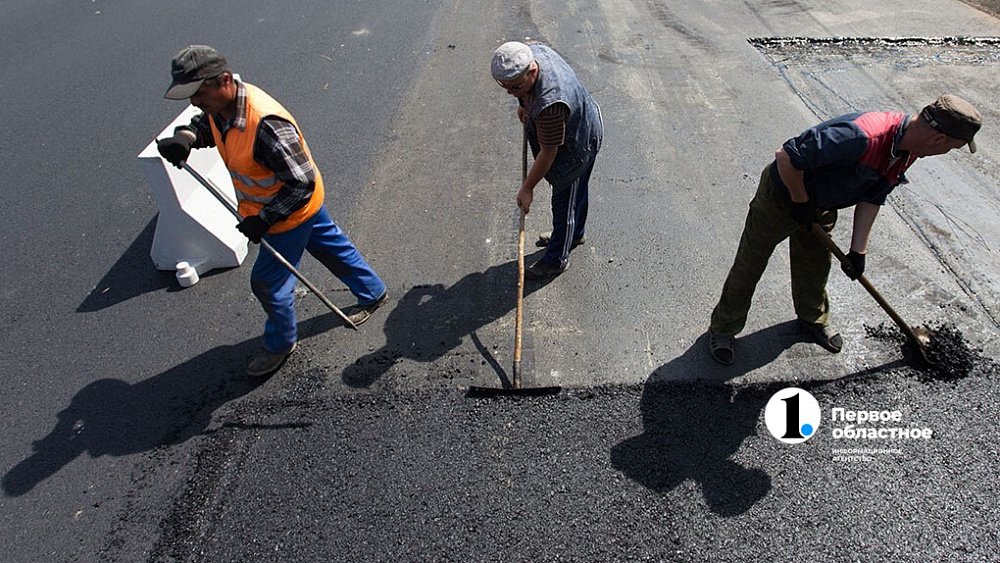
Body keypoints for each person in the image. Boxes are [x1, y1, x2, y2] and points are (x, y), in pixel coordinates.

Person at [157, 45, 388, 376]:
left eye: (197, 92)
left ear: (222, 80)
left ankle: (280, 342)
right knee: (330, 246)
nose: (194, 101)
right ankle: (373, 291)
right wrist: (187, 137)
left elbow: (300, 183)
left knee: (267, 281)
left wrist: (264, 220)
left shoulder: (265, 124)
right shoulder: (223, 107)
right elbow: (209, 123)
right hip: (296, 206)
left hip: (288, 211)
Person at [707, 94, 982, 365]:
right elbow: (787, 157)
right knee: (751, 262)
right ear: (938, 139)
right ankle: (724, 328)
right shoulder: (860, 136)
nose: (946, 153)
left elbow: (874, 196)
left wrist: (857, 251)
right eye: (952, 148)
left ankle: (811, 320)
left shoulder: (908, 151)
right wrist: (800, 201)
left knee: (815, 264)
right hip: (781, 197)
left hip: (822, 202)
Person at [491, 41, 603, 280]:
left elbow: (548, 153)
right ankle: (575, 234)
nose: (511, 92)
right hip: (583, 123)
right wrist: (525, 105)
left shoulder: (551, 105)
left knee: (565, 204)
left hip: (576, 148)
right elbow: (527, 91)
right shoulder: (534, 52)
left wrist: (527, 188)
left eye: (516, 87)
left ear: (532, 71)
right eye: (506, 87)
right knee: (576, 194)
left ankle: (557, 260)